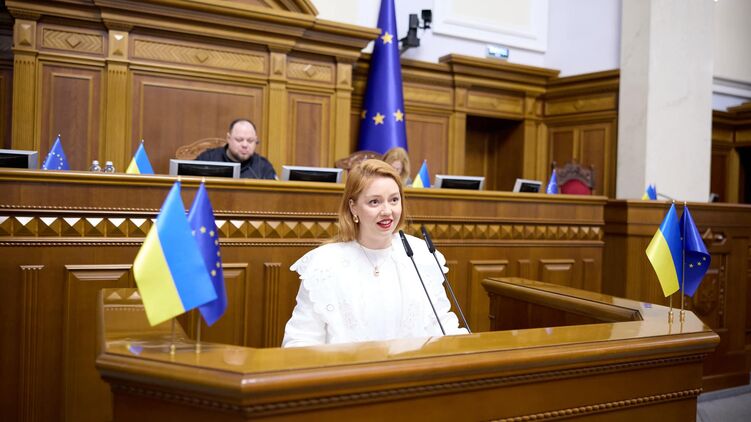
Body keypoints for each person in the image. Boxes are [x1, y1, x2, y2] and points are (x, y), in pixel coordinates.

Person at [282, 159, 468, 347]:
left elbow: (444, 325)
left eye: (394, 200)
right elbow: (299, 340)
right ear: (353, 207)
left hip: (413, 364)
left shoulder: (421, 255)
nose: (387, 211)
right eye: (374, 202)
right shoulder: (324, 264)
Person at [196, 118, 276, 179]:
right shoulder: (208, 159)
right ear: (228, 138)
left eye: (250, 141)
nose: (245, 145)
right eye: (239, 140)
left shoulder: (263, 166)